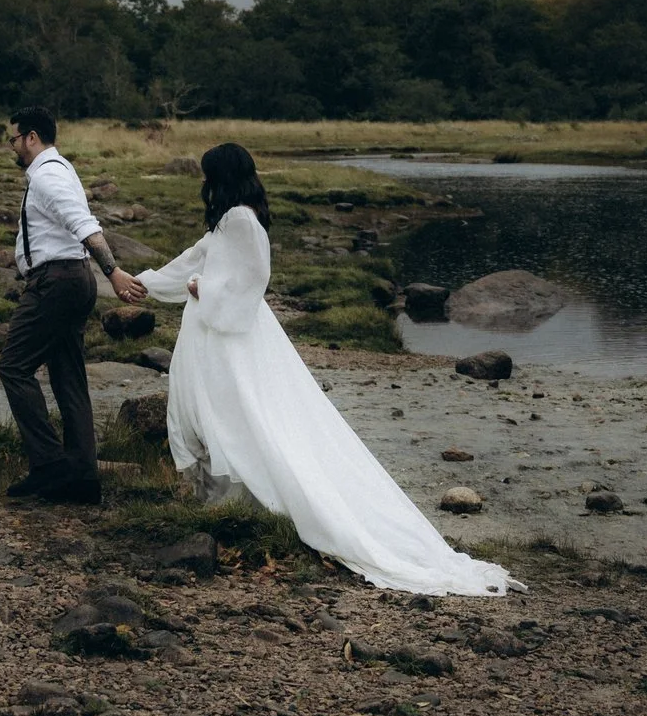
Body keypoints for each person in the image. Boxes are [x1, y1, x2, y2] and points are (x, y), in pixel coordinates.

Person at [134, 142, 512, 595]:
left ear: (222, 179)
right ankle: (236, 501)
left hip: (231, 336)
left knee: (243, 413)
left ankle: (257, 499)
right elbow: (193, 260)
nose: (204, 186)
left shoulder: (240, 220)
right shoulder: (229, 219)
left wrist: (201, 289)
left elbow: (252, 280)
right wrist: (144, 283)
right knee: (234, 413)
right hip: (216, 333)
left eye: (209, 177)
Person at [0, 106, 150, 505]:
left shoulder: (48, 175)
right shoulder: (59, 170)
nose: (12, 147)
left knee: (13, 366)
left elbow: (84, 225)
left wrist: (114, 272)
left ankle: (50, 466)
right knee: (68, 375)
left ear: (31, 137)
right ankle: (83, 479)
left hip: (58, 281)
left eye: (13, 139)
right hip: (70, 279)